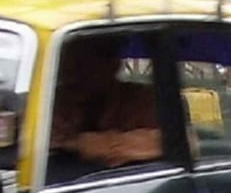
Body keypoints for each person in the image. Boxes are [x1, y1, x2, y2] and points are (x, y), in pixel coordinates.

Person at [49, 36, 162, 170]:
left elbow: (174, 141)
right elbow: (37, 145)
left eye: (82, 64)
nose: (71, 73)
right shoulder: (53, 102)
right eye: (66, 64)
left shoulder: (143, 99)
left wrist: (84, 144)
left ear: (113, 65)